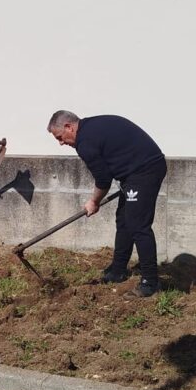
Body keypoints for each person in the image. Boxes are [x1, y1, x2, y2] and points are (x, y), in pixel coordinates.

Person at [47, 111, 167, 297]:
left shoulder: (85, 142)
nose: (61, 143)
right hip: (135, 171)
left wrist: (94, 202)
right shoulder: (91, 127)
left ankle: (150, 283)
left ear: (69, 127)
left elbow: (103, 179)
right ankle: (118, 270)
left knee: (138, 225)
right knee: (124, 220)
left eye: (60, 138)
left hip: (145, 169)